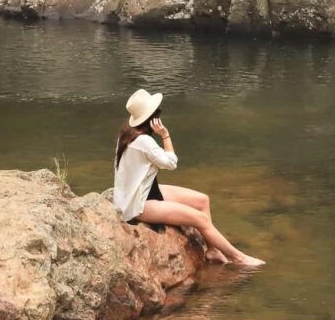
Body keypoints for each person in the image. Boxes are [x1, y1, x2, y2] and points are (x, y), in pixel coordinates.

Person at [113, 88, 265, 267]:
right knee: (201, 220)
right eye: (158, 113)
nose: (160, 115)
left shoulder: (126, 135)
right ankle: (239, 258)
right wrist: (165, 135)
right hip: (138, 204)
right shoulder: (144, 142)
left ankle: (213, 250)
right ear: (152, 118)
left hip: (144, 191)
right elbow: (171, 163)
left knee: (203, 200)